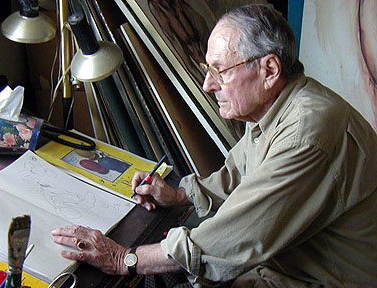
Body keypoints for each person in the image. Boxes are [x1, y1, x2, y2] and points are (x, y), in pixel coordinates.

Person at [52, 4, 377, 287]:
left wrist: (124, 258)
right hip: (286, 264)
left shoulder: (305, 133)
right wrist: (179, 195)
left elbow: (236, 237)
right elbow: (237, 176)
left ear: (269, 70)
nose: (208, 84)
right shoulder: (276, 106)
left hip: (318, 279)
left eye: (220, 70)